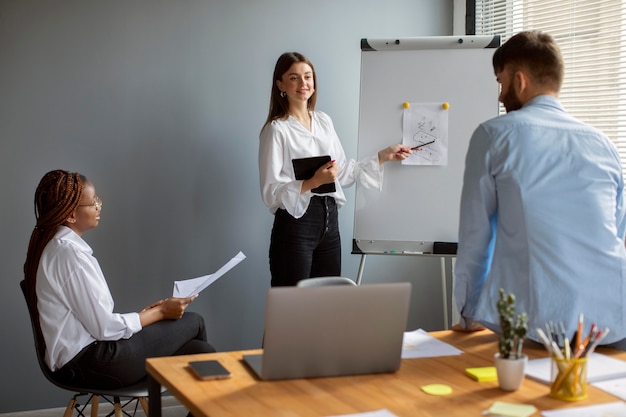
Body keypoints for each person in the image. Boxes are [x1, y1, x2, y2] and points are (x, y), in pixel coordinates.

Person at [453, 31, 626, 347]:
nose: (500, 94)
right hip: (613, 324)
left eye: (501, 82)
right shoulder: (603, 143)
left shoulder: (494, 136)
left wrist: (469, 313)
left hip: (539, 326)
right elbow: (617, 233)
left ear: (519, 81)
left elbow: (476, 238)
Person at [23, 170, 216, 389]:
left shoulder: (58, 248)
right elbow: (103, 328)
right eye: (93, 201)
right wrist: (159, 312)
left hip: (90, 356)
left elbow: (96, 321)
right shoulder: (69, 255)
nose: (99, 205)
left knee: (201, 352)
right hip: (90, 362)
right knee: (194, 321)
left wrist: (144, 316)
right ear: (71, 215)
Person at [259, 52, 412, 287]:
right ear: (280, 84)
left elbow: (341, 173)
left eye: (308, 76)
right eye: (294, 77)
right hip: (297, 223)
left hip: (330, 221)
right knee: (292, 308)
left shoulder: (323, 121)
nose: (303, 84)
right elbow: (271, 193)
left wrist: (382, 156)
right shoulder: (277, 130)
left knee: (328, 304)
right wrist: (313, 182)